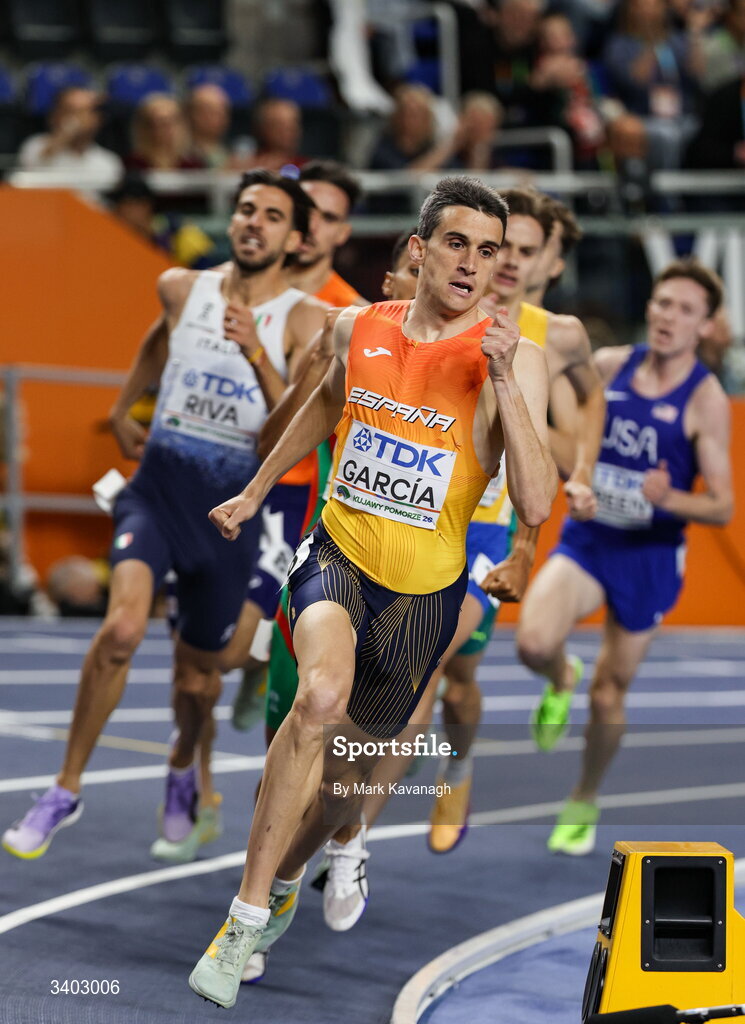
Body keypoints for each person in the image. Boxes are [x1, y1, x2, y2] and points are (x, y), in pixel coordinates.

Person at [188, 176, 558, 1008]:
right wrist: (256, 490)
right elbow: (324, 406)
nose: (472, 264)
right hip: (338, 555)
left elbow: (535, 501)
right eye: (457, 243)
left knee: (344, 790)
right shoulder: (356, 326)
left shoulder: (517, 357)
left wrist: (500, 381)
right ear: (420, 250)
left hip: (425, 595)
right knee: (317, 697)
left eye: (489, 251)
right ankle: (244, 916)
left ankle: (288, 879)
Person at [1, 169, 327, 862]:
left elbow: (284, 433)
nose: (253, 222)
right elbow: (158, 339)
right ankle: (64, 788)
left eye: (271, 215)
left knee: (197, 676)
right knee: (120, 628)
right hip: (156, 490)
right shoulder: (184, 287)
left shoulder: (304, 320)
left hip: (226, 513)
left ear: (295, 238)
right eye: (245, 209)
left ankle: (183, 762)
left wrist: (251, 353)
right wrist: (123, 408)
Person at [517, 259, 733, 855]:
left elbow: (721, 506)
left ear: (705, 326)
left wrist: (672, 498)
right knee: (533, 642)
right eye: (663, 303)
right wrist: (579, 473)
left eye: (685, 310)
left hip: (650, 556)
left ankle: (584, 794)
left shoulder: (705, 399)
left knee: (611, 693)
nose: (668, 317)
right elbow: (563, 434)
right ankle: (561, 675)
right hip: (592, 541)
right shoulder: (611, 367)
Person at [230, 159, 366, 732]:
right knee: (202, 657)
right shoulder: (245, 283)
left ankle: (261, 660)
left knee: (259, 656)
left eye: (326, 217)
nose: (310, 227)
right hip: (229, 477)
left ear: (341, 233)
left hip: (304, 497)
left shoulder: (353, 316)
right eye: (302, 212)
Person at [17, 86, 123, 187]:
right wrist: (68, 131)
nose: (80, 118)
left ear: (98, 119)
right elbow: (34, 165)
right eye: (71, 111)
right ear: (54, 115)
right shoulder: (35, 146)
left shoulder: (108, 162)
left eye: (87, 111)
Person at [126, 93, 204, 171]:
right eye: (156, 123)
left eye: (171, 122)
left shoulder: (193, 165)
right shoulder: (132, 165)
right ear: (144, 128)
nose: (165, 130)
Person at [186, 83, 233, 169]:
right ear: (193, 114)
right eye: (211, 111)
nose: (221, 116)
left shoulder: (233, 153)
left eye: (223, 111)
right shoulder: (180, 155)